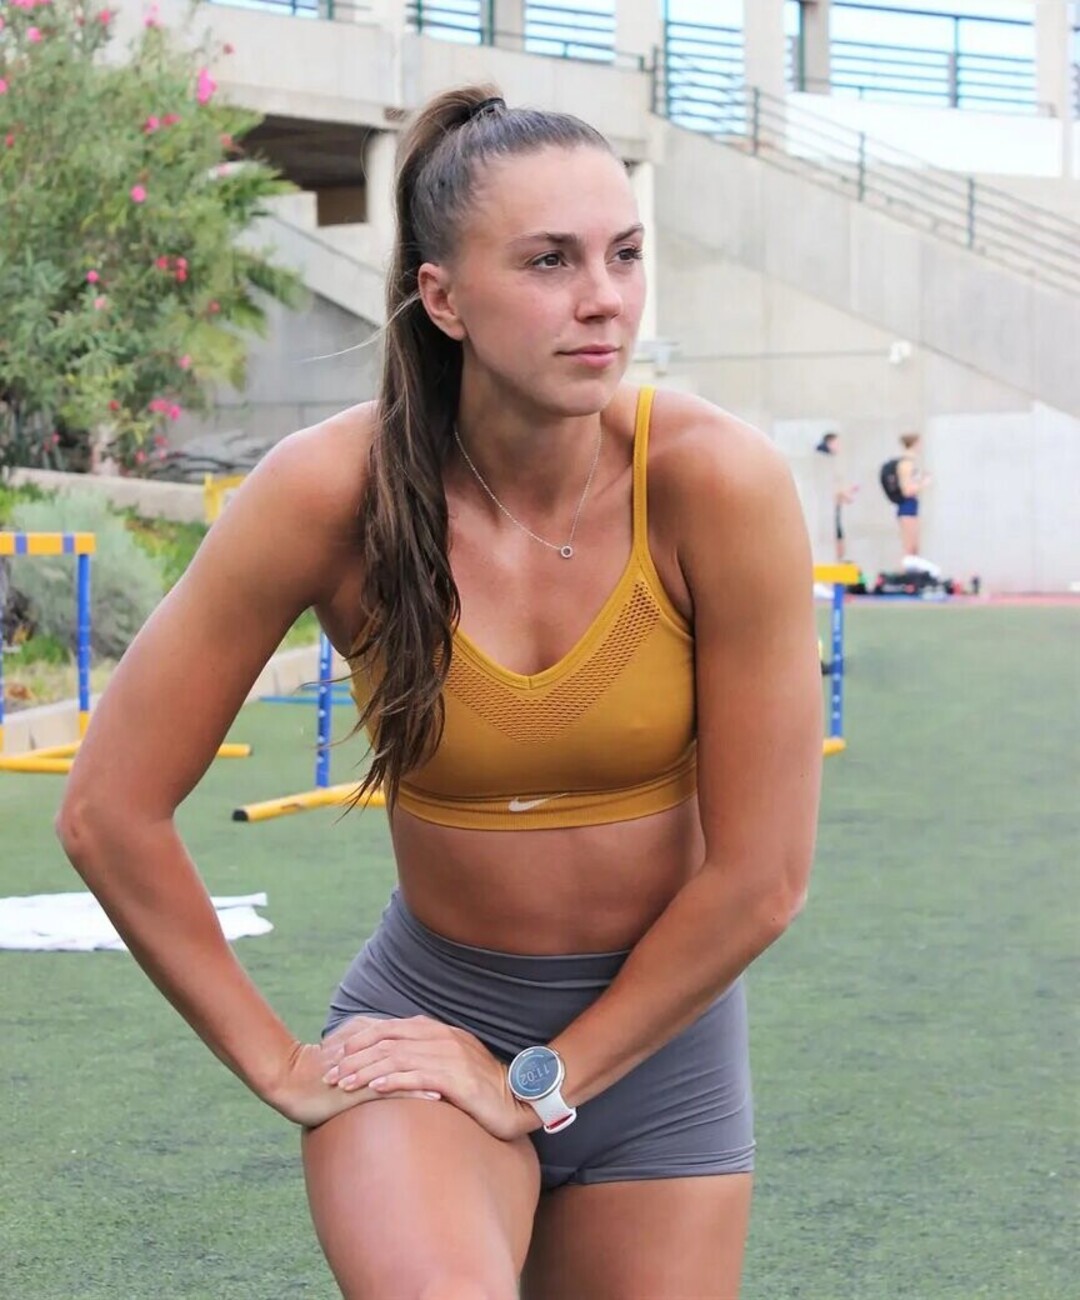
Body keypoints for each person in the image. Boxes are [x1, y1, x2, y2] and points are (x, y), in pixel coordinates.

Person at [56, 85, 822, 1299]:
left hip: (661, 1054)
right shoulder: (325, 492)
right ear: (444, 297)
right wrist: (279, 1062)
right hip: (426, 1034)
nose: (603, 298)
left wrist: (538, 1081)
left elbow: (761, 879)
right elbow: (109, 808)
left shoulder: (716, 484)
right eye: (550, 260)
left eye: (624, 254)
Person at [884, 431, 934, 571]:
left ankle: (913, 575)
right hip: (906, 507)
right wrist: (924, 483)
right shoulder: (905, 464)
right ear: (914, 444)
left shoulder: (911, 463)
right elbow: (906, 490)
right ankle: (904, 576)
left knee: (915, 548)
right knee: (908, 548)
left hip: (912, 506)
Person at [814, 430, 858, 564]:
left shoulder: (832, 463)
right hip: (828, 513)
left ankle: (838, 564)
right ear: (829, 443)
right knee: (837, 543)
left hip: (835, 509)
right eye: (836, 443)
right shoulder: (824, 463)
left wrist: (846, 493)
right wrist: (845, 494)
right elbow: (830, 489)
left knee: (840, 544)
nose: (839, 446)